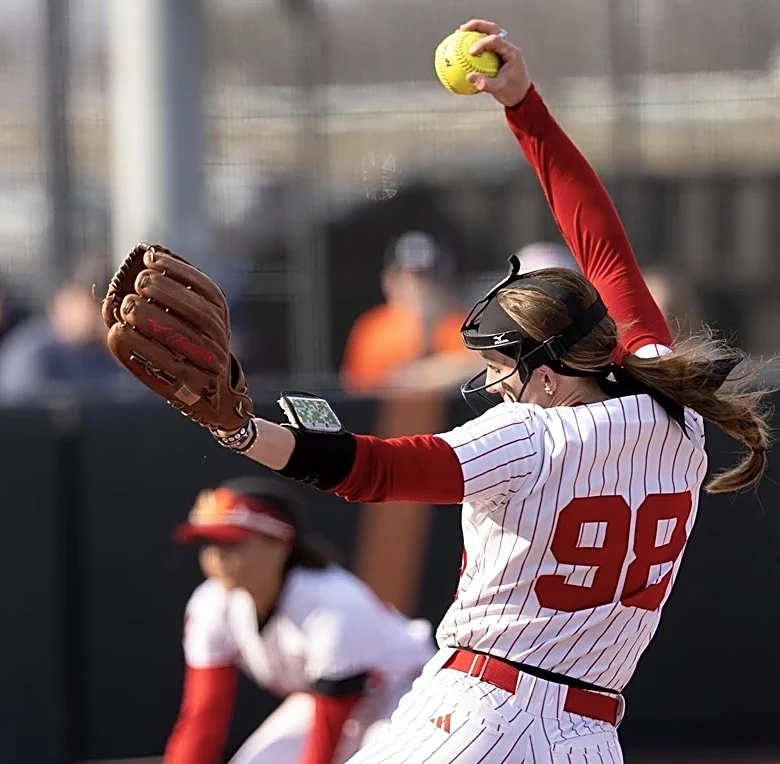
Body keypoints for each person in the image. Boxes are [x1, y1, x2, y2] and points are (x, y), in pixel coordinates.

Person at [206, 19, 773, 763]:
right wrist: (523, 104)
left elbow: (374, 469)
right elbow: (602, 244)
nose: (494, 381)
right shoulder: (677, 416)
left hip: (477, 715)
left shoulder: (531, 437)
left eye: (502, 365)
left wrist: (245, 432)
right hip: (588, 734)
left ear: (546, 373)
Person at [164, 477, 435, 764]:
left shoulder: (331, 603)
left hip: (403, 694)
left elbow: (330, 726)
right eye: (209, 543)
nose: (216, 556)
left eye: (232, 543)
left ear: (279, 545)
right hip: (322, 700)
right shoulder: (211, 604)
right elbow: (205, 713)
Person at [341, 231, 479, 394]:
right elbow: (363, 388)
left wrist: (423, 375)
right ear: (390, 279)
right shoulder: (373, 329)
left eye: (430, 276)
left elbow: (484, 364)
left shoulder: (460, 323)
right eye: (411, 276)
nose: (421, 286)